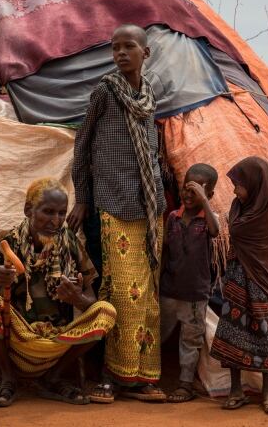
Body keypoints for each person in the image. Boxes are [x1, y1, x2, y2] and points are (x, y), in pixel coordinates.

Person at [0, 178, 117, 407]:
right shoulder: (6, 244)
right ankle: (8, 377)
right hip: (16, 343)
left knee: (106, 311)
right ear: (28, 210)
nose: (56, 221)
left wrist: (77, 298)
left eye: (61, 213)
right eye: (48, 212)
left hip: (56, 343)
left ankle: (53, 377)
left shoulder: (69, 243)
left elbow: (91, 300)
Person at [68, 24, 167, 403]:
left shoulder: (149, 97)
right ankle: (111, 376)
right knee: (121, 291)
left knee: (148, 297)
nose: (121, 53)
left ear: (146, 52)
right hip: (112, 202)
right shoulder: (105, 93)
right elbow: (82, 147)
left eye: (129, 47)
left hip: (149, 206)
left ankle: (143, 378)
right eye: (115, 48)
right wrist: (82, 198)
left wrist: (157, 192)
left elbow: (152, 153)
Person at [209, 156, 268, 415]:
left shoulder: (262, 210)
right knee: (233, 330)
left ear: (255, 184)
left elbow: (237, 231)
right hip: (237, 275)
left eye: (239, 185)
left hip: (257, 279)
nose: (235, 190)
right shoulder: (240, 206)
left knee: (262, 330)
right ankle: (236, 388)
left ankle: (267, 389)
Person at [159, 164, 220, 403]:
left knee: (191, 340)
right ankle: (149, 377)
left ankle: (185, 383)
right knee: (158, 334)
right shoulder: (173, 218)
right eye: (186, 188)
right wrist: (157, 284)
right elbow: (165, 253)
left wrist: (205, 201)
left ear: (209, 195)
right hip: (169, 290)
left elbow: (215, 232)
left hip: (195, 294)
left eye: (196, 191)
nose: (188, 194)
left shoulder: (208, 222)